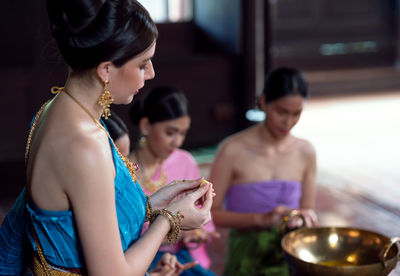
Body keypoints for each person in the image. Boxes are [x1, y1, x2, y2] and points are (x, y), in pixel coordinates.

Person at [0, 1, 213, 275]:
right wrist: (170, 220)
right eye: (143, 64)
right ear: (106, 69)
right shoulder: (83, 146)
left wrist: (151, 204)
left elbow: (81, 210)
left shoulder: (60, 108)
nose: (151, 74)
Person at [209, 67, 318, 276]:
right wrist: (259, 220)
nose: (288, 122)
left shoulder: (305, 151)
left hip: (290, 254)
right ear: (263, 102)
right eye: (281, 111)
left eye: (297, 113)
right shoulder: (232, 149)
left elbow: (307, 211)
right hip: (245, 257)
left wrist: (303, 218)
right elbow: (210, 213)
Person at [128, 86, 219, 276]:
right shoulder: (124, 170)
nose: (177, 142)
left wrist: (196, 234)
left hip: (182, 257)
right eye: (170, 133)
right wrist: (176, 230)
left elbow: (204, 222)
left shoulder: (184, 160)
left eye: (182, 133)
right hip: (140, 260)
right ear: (146, 126)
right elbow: (123, 235)